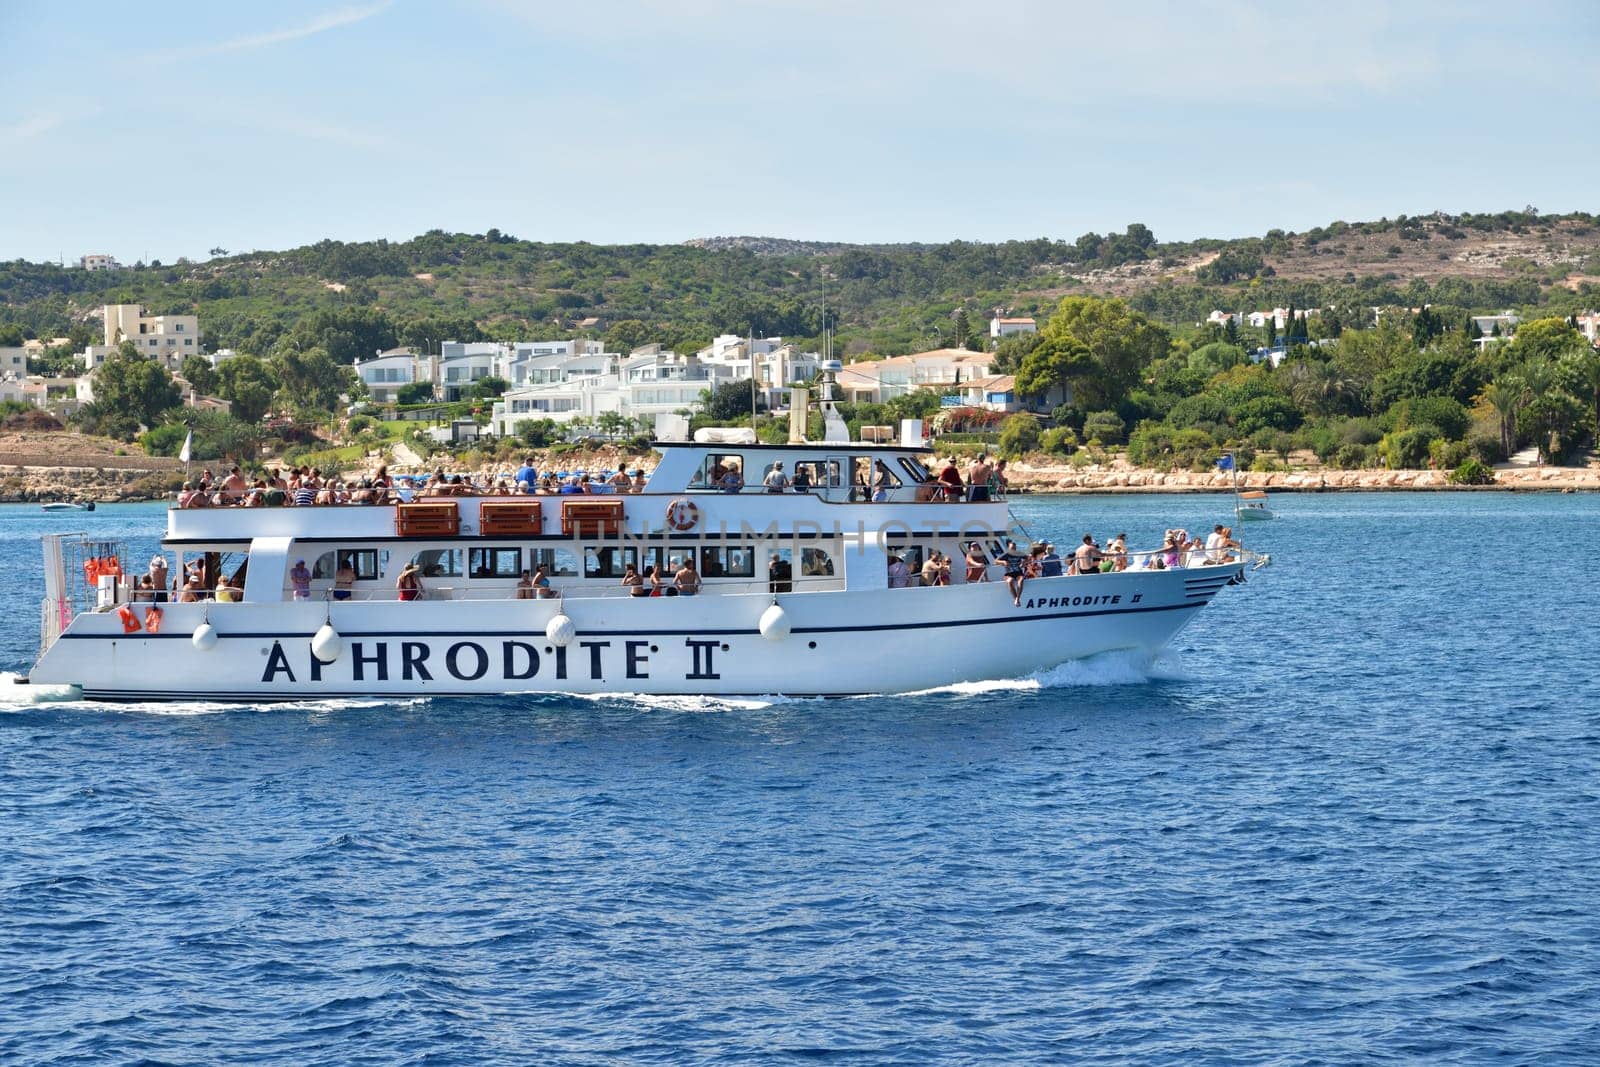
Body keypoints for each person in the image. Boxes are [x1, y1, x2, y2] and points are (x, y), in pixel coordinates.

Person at [1000, 540, 1027, 604]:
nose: (1013, 549)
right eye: (1012, 548)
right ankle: (1016, 599)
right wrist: (1003, 562)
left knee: (1021, 580)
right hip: (1009, 573)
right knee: (1010, 581)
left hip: (1018, 572)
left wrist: (1024, 562)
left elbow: (1028, 557)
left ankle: (1017, 598)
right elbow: (995, 561)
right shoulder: (1006, 555)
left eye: (1014, 548)